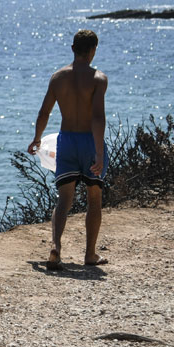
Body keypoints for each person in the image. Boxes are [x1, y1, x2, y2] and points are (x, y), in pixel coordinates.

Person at [26, 29, 109, 270]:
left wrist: (37, 138)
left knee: (64, 199)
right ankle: (90, 254)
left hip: (66, 141)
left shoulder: (57, 78)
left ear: (73, 49)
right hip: (89, 142)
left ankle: (56, 247)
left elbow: (44, 112)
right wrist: (99, 152)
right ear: (93, 50)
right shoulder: (98, 79)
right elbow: (98, 117)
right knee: (94, 198)